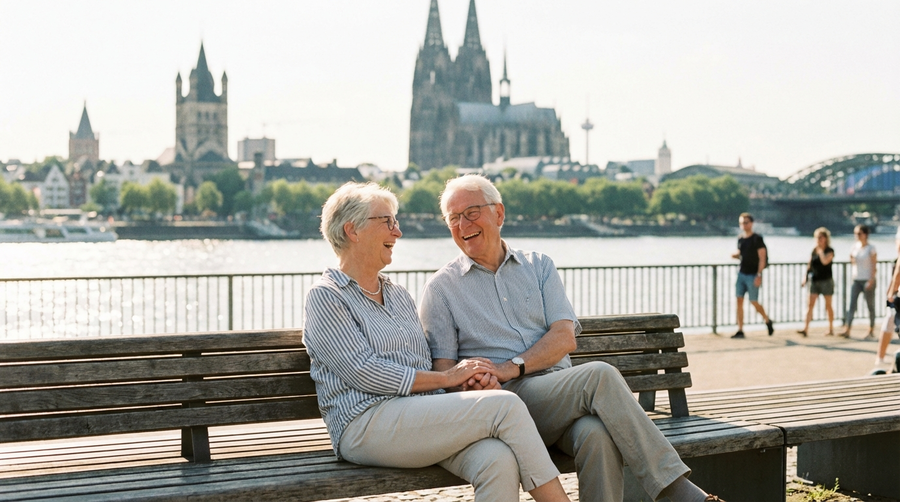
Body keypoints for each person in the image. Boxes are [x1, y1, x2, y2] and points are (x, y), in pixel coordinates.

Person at [419, 174, 723, 502]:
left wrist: (509, 367)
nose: (463, 224)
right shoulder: (441, 289)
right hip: (504, 404)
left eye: (472, 212)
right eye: (453, 218)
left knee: (596, 434)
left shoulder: (539, 266)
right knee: (600, 375)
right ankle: (677, 492)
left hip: (559, 395)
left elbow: (565, 338)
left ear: (499, 214)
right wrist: (472, 383)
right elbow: (445, 376)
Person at [303, 182, 571, 502]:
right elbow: (365, 372)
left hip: (416, 418)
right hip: (364, 425)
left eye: (396, 222)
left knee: (497, 458)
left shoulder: (398, 295)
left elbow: (419, 365)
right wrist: (448, 378)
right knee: (505, 404)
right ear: (353, 230)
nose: (398, 232)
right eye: (387, 222)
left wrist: (466, 388)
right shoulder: (325, 296)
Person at [730, 213, 774, 339]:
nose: (744, 225)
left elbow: (762, 257)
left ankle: (767, 320)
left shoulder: (757, 239)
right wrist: (736, 255)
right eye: (742, 223)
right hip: (741, 273)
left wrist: (759, 275)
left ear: (752, 223)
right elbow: (743, 253)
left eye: (746, 222)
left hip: (753, 274)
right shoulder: (740, 239)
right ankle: (740, 329)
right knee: (739, 300)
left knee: (753, 301)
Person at [838, 224, 877, 339]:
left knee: (870, 305)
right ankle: (847, 329)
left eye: (859, 233)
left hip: (868, 279)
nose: (857, 236)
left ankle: (871, 329)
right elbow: (851, 257)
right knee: (852, 305)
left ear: (865, 234)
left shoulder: (871, 248)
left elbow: (874, 265)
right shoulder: (855, 247)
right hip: (856, 279)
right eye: (855, 233)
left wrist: (871, 279)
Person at [798, 227, 835, 337]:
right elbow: (809, 265)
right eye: (817, 237)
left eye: (821, 237)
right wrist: (805, 277)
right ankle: (805, 328)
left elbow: (824, 262)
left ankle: (831, 328)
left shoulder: (830, 251)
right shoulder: (814, 250)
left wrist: (820, 252)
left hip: (826, 281)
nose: (819, 239)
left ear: (825, 238)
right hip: (815, 280)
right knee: (810, 304)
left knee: (828, 305)